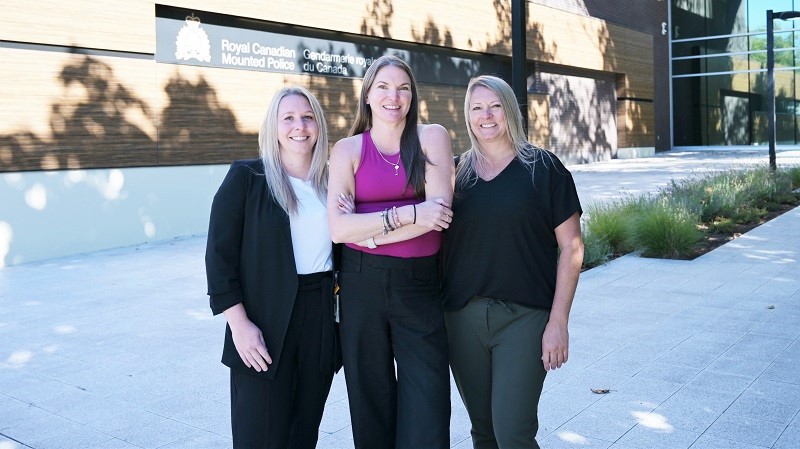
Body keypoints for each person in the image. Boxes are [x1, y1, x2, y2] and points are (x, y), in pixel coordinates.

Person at [442, 75, 584, 449]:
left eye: (495, 107)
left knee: (513, 433)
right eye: (477, 108)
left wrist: (559, 322)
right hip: (462, 320)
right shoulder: (454, 175)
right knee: (484, 432)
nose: (486, 116)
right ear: (467, 116)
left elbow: (572, 248)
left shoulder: (544, 169)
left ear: (510, 111)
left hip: (525, 319)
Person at [328, 54, 455, 449]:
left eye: (403, 87)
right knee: (370, 399)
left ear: (413, 95)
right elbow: (337, 229)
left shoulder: (432, 137)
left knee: (428, 401)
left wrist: (365, 230)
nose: (393, 96)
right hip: (360, 283)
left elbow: (440, 216)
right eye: (382, 86)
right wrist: (411, 212)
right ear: (367, 95)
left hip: (419, 285)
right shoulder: (347, 149)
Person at [205, 86, 339, 449]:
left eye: (308, 117)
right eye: (289, 118)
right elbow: (219, 257)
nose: (300, 126)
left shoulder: (333, 183)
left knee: (303, 430)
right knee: (260, 434)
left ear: (319, 125)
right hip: (262, 317)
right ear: (274, 126)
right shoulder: (248, 178)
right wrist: (239, 324)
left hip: (320, 318)